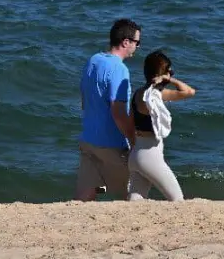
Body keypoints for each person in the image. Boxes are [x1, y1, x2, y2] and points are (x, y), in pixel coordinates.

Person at [75, 18, 141, 202]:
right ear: (125, 42)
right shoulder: (119, 69)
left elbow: (84, 98)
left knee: (89, 191)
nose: (137, 47)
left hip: (88, 139)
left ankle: (95, 192)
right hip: (110, 145)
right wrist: (133, 141)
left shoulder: (93, 60)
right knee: (130, 187)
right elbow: (118, 112)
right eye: (137, 42)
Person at [127, 49, 196, 201]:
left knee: (135, 203)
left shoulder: (138, 94)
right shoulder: (155, 96)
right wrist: (170, 80)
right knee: (177, 199)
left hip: (136, 154)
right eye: (170, 71)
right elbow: (190, 92)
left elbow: (129, 123)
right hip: (150, 156)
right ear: (164, 73)